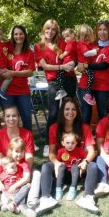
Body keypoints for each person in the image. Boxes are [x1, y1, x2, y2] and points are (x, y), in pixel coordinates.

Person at [38, 97, 99, 214]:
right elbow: (51, 152)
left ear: (77, 111)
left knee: (93, 166)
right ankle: (45, 198)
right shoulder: (54, 128)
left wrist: (84, 163)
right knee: (45, 166)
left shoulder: (84, 127)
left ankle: (88, 198)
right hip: (61, 170)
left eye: (73, 109)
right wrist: (56, 163)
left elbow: (91, 151)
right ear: (62, 111)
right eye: (67, 109)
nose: (70, 112)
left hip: (79, 170)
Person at [35, 19, 77, 157]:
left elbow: (73, 55)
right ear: (44, 29)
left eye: (53, 29)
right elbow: (45, 66)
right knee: (53, 113)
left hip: (68, 79)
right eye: (48, 28)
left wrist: (72, 63)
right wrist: (62, 67)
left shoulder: (61, 43)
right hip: (53, 82)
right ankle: (49, 143)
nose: (50, 32)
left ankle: (69, 140)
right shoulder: (39, 46)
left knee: (69, 112)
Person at [77, 20, 109, 124]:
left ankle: (102, 138)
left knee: (103, 114)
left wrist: (86, 66)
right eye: (100, 29)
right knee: (86, 114)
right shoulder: (91, 45)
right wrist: (78, 64)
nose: (102, 32)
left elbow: (104, 66)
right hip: (85, 83)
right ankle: (85, 138)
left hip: (102, 85)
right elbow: (80, 55)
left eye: (105, 29)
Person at [0, 25, 35, 131]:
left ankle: (28, 142)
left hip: (23, 91)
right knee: (10, 120)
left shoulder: (29, 52)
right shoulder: (6, 50)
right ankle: (11, 142)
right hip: (7, 92)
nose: (18, 36)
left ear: (25, 35)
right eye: (16, 34)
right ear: (12, 36)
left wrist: (12, 73)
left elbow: (30, 72)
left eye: (21, 33)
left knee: (27, 118)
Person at [55, 131, 86, 201]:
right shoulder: (60, 151)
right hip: (64, 176)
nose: (70, 145)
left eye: (72, 143)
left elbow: (85, 158)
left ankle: (73, 189)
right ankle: (58, 189)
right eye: (67, 143)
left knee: (75, 166)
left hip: (76, 176)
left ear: (76, 143)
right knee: (62, 166)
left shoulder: (80, 151)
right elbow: (57, 162)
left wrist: (83, 163)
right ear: (63, 143)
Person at [77, 24, 99, 105]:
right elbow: (86, 53)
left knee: (91, 76)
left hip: (87, 66)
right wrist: (96, 51)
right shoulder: (82, 44)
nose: (89, 37)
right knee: (91, 76)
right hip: (85, 66)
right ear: (82, 36)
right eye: (86, 36)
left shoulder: (89, 44)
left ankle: (88, 93)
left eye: (90, 35)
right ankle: (87, 94)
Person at [55, 28, 78, 100]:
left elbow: (67, 51)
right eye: (65, 37)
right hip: (69, 67)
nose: (66, 39)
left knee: (59, 74)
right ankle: (61, 90)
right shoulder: (75, 43)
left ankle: (61, 90)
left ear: (73, 35)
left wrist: (62, 56)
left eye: (67, 36)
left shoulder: (70, 43)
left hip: (67, 64)